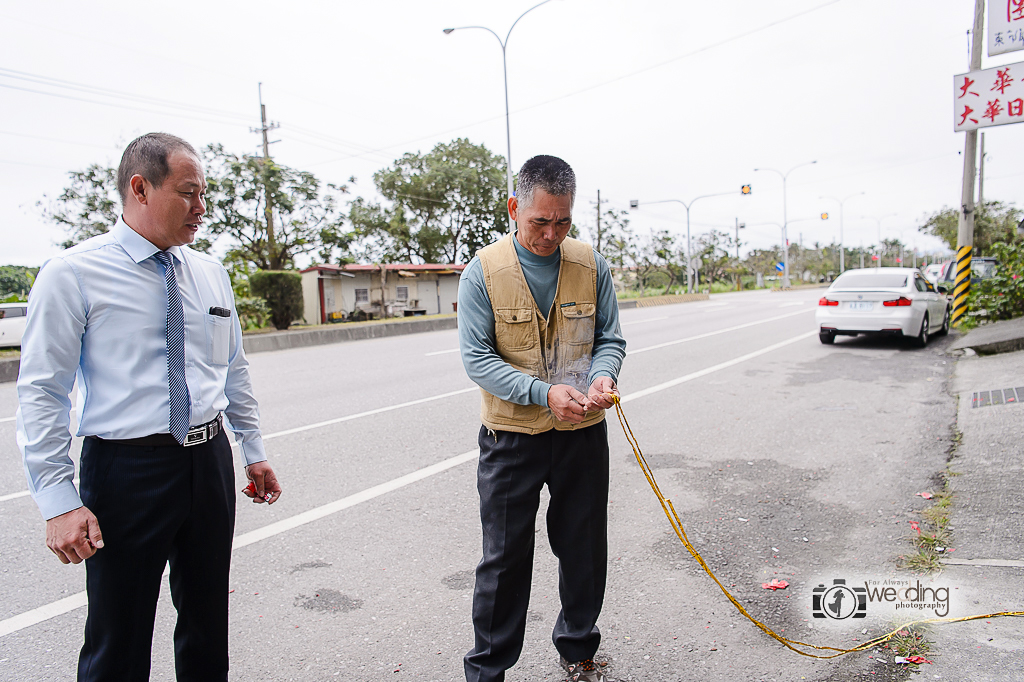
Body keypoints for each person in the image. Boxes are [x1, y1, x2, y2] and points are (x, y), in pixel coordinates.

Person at [16, 132, 281, 681]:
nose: (201, 209)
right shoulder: (73, 274)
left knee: (208, 624)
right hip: (126, 471)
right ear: (140, 187)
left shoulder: (209, 273)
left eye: (204, 193)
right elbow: (43, 391)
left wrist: (251, 449)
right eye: (188, 192)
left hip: (207, 464)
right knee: (119, 635)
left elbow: (230, 367)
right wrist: (58, 500)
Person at [457, 155, 626, 682]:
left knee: (583, 548)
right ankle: (488, 669)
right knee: (504, 560)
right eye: (539, 221)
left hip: (581, 434)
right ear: (514, 208)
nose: (551, 234)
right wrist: (540, 392)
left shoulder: (591, 265)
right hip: (511, 437)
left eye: (563, 221)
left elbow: (610, 340)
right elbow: (477, 358)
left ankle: (578, 648)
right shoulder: (482, 272)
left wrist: (603, 377)